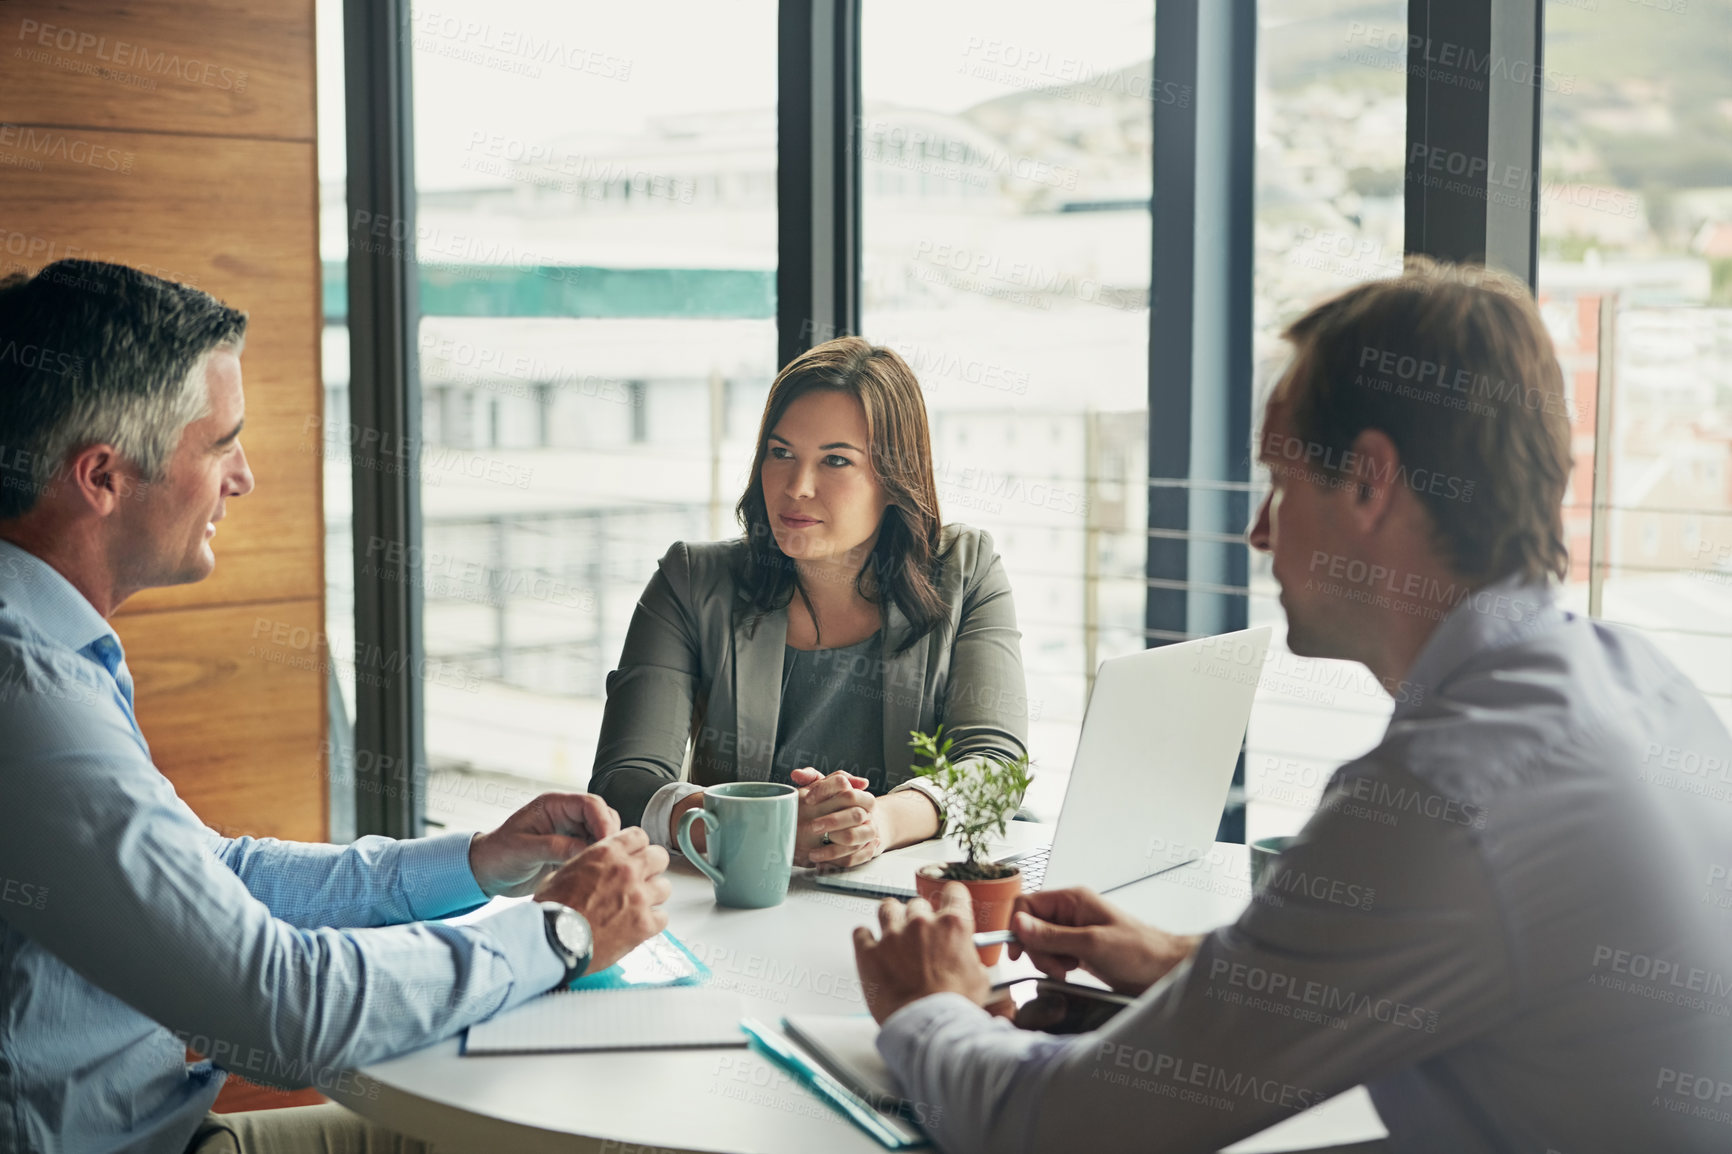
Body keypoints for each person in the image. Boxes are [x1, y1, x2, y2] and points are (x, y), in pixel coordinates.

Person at [852, 258, 1732, 1153]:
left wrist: (931, 1007)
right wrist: (1184, 968)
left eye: (1280, 478)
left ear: (1368, 481)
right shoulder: (1643, 682)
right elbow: (1465, 973)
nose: (1258, 530)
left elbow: (1058, 1130)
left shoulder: (1444, 792)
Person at [0, 260, 672, 1154]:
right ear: (102, 476)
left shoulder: (49, 647)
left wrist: (474, 862)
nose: (244, 477)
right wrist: (561, 931)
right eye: (220, 443)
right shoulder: (31, 699)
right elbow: (285, 1013)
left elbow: (221, 879)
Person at [589, 336, 1029, 868]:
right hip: (744, 909)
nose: (796, 486)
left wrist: (880, 822)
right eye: (781, 454)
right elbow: (623, 785)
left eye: (836, 461)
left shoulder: (966, 569)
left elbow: (996, 768)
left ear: (894, 478)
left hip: (913, 907)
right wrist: (760, 827)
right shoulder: (691, 580)